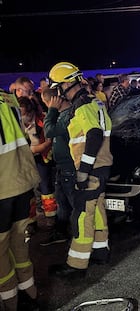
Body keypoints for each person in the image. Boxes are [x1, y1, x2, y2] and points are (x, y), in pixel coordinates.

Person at [47, 61, 113, 279]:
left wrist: (83, 170)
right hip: (102, 165)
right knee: (98, 209)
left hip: (91, 168)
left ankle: (76, 265)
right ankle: (101, 251)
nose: (56, 91)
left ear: (66, 84)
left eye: (57, 86)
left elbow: (93, 134)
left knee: (82, 214)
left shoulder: (82, 105)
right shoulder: (94, 101)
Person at [0, 90, 41, 310]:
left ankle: (11, 303)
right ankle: (31, 294)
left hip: (2, 189)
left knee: (0, 251)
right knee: (19, 243)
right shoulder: (8, 99)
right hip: (22, 182)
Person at [41, 87, 75, 246]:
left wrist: (51, 111)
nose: (47, 107)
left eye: (47, 103)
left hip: (70, 167)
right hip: (62, 167)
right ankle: (61, 232)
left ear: (54, 100)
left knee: (74, 204)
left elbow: (49, 131)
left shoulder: (67, 115)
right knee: (62, 203)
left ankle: (81, 236)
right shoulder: (61, 115)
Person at [18, 96, 57, 229]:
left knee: (46, 189)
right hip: (25, 160)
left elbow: (49, 141)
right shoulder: (16, 123)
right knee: (29, 192)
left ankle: (51, 218)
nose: (24, 117)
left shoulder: (42, 120)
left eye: (25, 114)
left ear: (30, 111)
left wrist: (36, 149)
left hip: (42, 158)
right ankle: (31, 222)